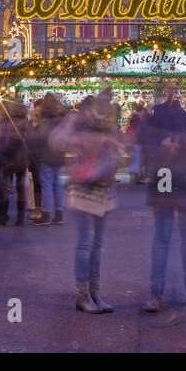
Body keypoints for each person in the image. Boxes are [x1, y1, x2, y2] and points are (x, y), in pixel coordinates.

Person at [51, 88, 124, 313]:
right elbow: (57, 141)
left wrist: (115, 148)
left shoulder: (109, 124)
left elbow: (118, 148)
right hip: (83, 186)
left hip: (103, 185)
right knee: (86, 242)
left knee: (98, 244)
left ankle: (95, 292)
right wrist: (86, 141)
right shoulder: (77, 121)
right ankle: (83, 295)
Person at [141, 87, 186, 312]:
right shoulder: (178, 119)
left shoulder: (180, 120)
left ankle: (160, 292)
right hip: (173, 176)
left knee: (167, 237)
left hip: (175, 176)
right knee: (181, 238)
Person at [33, 93, 67, 227]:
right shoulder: (61, 120)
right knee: (57, 184)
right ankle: (59, 214)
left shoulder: (44, 122)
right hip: (58, 154)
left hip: (46, 155)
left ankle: (46, 214)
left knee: (46, 184)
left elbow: (40, 139)